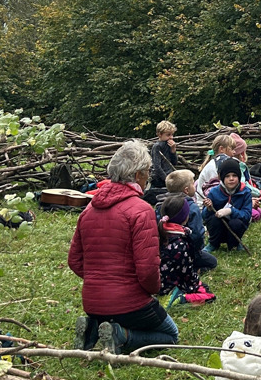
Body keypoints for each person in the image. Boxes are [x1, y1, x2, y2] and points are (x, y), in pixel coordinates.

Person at [68, 141, 179, 354]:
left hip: (92, 301)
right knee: (170, 334)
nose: (148, 177)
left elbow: (74, 261)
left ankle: (93, 328)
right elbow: (147, 270)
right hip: (129, 303)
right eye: (147, 172)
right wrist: (152, 291)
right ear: (138, 175)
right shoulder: (141, 210)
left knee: (113, 313)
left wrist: (98, 279)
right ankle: (122, 335)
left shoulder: (89, 210)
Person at [157, 169, 216, 275]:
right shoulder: (191, 207)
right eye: (193, 183)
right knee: (212, 262)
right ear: (186, 190)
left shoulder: (161, 204)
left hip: (164, 252)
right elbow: (197, 234)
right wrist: (197, 250)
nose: (195, 186)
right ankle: (191, 269)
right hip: (187, 251)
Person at [157, 195, 209, 299]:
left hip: (158, 281)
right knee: (208, 294)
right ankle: (180, 298)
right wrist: (196, 282)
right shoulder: (180, 243)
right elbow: (186, 273)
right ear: (184, 217)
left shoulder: (161, 231)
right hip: (170, 285)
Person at [204, 159, 253, 252]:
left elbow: (247, 215)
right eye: (227, 176)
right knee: (215, 220)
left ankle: (234, 243)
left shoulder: (245, 192)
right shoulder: (214, 192)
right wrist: (209, 208)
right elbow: (204, 216)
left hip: (235, 229)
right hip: (218, 229)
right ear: (222, 178)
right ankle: (213, 244)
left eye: (234, 175)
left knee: (236, 223)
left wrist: (231, 211)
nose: (231, 179)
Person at [196, 135, 235, 206]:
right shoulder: (213, 167)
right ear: (221, 149)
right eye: (231, 149)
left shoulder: (218, 164)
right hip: (207, 206)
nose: (234, 152)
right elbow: (215, 192)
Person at [147, 120, 179, 205]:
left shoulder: (169, 145)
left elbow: (174, 163)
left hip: (169, 175)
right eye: (168, 135)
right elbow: (157, 166)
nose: (171, 137)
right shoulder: (157, 147)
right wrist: (166, 179)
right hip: (159, 178)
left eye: (172, 134)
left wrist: (173, 151)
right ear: (160, 134)